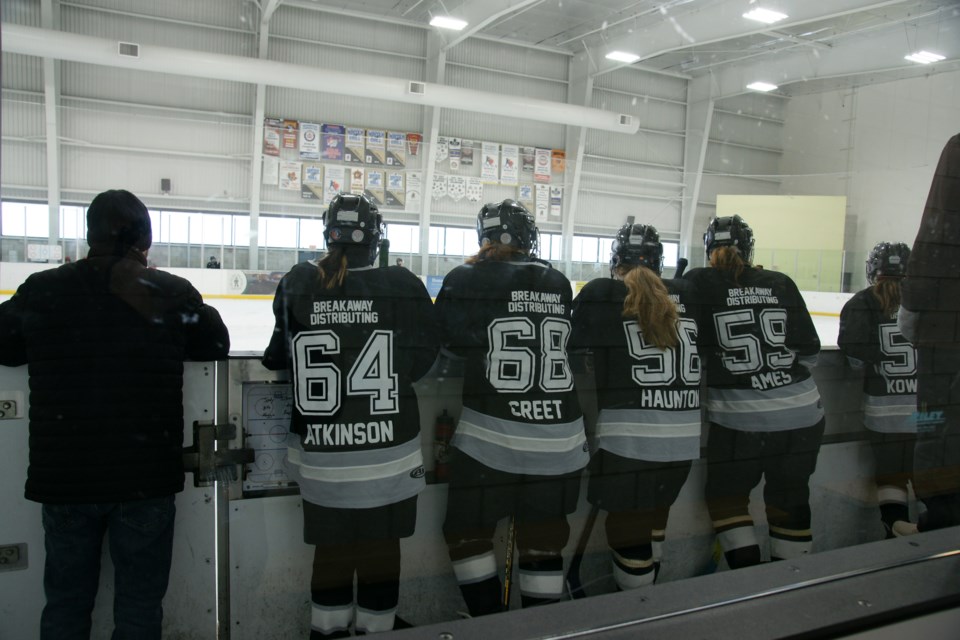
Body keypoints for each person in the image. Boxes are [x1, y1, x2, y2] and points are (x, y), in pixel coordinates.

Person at [0, 189, 230, 640]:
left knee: (65, 605)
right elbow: (214, 342)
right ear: (145, 241)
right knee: (140, 609)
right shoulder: (166, 292)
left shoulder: (43, 289)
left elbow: (5, 348)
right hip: (143, 481)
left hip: (66, 480)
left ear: (89, 237)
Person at [261, 193, 438, 639]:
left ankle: (327, 632)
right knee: (381, 554)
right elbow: (422, 360)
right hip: (388, 456)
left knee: (332, 555)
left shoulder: (300, 281)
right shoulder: (401, 284)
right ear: (376, 236)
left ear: (328, 234)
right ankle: (377, 631)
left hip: (323, 459)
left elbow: (276, 355)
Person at [435, 199, 588, 615]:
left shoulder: (465, 277)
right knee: (544, 539)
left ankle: (489, 621)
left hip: (493, 442)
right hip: (562, 441)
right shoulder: (556, 280)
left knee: (465, 533)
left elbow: (450, 344)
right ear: (526, 237)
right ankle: (538, 626)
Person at [684, 215, 823, 569]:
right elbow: (809, 349)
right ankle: (788, 584)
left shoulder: (697, 281)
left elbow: (689, 348)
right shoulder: (780, 281)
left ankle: (748, 578)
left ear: (708, 248)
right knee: (790, 499)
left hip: (740, 421)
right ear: (748, 248)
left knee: (726, 500)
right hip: (803, 413)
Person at [570, 223, 701, 589]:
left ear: (615, 261)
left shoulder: (601, 292)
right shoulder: (686, 293)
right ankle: (651, 600)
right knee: (653, 521)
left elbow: (572, 350)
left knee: (626, 529)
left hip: (629, 443)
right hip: (683, 440)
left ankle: (637, 612)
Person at [899, 132, 960, 531]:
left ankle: (939, 523)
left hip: (949, 329)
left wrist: (913, 300)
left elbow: (938, 229)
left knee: (937, 424)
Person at [838, 242, 919, 538]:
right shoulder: (927, 300)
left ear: (873, 270)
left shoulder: (861, 302)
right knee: (925, 472)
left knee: (891, 475)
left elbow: (856, 359)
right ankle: (934, 529)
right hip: (927, 412)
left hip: (884, 415)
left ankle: (895, 526)